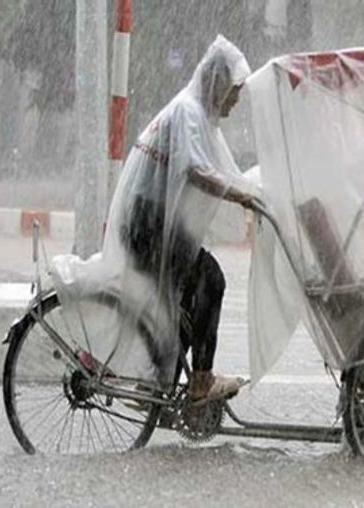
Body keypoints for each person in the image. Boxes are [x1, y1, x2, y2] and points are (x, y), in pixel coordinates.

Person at [112, 35, 255, 404]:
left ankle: (157, 386)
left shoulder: (197, 115)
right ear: (218, 83)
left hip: (151, 223)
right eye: (235, 91)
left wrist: (250, 191)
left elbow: (224, 168)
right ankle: (200, 381)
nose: (236, 101)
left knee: (186, 303)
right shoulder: (188, 111)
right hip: (148, 226)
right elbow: (194, 169)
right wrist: (238, 195)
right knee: (212, 281)